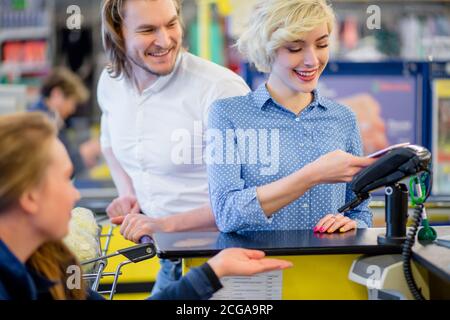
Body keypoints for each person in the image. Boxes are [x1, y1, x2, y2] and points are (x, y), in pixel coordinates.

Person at [0, 112, 292, 300]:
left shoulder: (47, 266)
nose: (75, 195)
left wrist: (214, 271)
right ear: (29, 197)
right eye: (65, 180)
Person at [98, 0, 250, 294]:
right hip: (169, 261)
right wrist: (129, 194)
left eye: (171, 23)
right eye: (147, 29)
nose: (165, 40)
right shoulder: (110, 83)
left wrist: (164, 225)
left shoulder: (220, 90)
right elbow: (109, 144)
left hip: (225, 263)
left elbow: (251, 200)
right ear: (118, 32)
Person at [207, 0, 376, 234]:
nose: (312, 60)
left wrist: (354, 225)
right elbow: (226, 214)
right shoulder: (228, 115)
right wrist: (312, 175)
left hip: (330, 267)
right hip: (260, 267)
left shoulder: (343, 118)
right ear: (268, 49)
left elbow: (361, 210)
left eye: (322, 44)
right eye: (295, 48)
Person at [29, 67, 101, 177]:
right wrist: (85, 152)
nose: (72, 109)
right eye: (72, 102)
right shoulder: (40, 123)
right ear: (57, 94)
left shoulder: (50, 119)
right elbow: (56, 168)